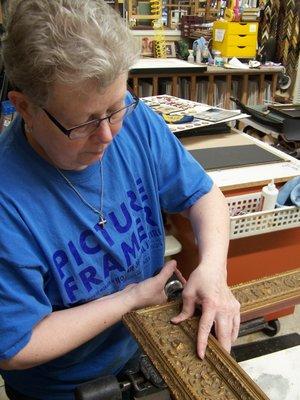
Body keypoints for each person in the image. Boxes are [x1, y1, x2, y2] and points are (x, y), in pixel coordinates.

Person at [0, 1, 240, 399]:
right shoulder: (8, 202)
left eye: (116, 109)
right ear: (26, 107)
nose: (109, 136)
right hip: (65, 388)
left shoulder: (135, 122)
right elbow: (16, 345)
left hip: (146, 344)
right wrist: (130, 299)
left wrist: (214, 269)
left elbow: (202, 194)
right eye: (85, 122)